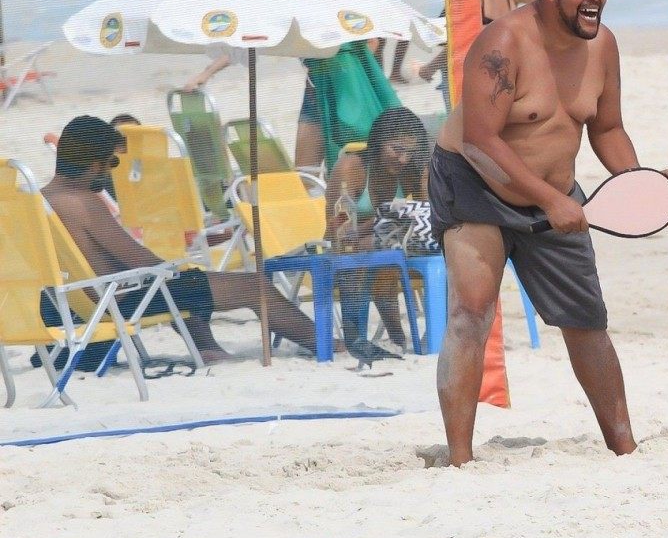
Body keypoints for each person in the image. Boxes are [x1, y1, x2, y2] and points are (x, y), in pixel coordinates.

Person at [429, 0, 668, 466]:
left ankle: (624, 449)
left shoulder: (602, 46)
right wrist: (548, 199)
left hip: (556, 198)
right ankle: (459, 461)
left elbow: (607, 127)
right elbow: (480, 140)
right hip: (476, 184)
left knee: (586, 319)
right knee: (471, 313)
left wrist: (639, 186)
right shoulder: (502, 44)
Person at [41, 116, 320, 364]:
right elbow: (139, 259)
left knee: (182, 282)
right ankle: (325, 344)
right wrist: (180, 269)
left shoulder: (39, 201)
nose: (112, 170)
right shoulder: (83, 202)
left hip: (62, 307)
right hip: (114, 301)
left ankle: (207, 348)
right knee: (253, 285)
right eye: (111, 162)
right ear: (93, 163)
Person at [324, 106, 429, 361]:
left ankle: (428, 333)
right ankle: (386, 335)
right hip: (347, 257)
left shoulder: (410, 172)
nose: (403, 159)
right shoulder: (352, 168)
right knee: (380, 246)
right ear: (379, 142)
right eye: (397, 149)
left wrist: (425, 175)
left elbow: (428, 217)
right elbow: (336, 233)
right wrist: (382, 219)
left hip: (390, 254)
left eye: (411, 152)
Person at [181, 55, 325, 169]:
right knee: (306, 175)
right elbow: (252, 37)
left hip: (343, 90)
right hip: (316, 94)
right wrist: (207, 73)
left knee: (338, 168)